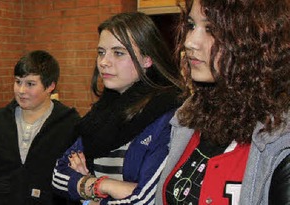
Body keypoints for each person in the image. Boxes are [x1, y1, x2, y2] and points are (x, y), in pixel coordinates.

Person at [155, 0, 290, 204]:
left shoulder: (280, 139)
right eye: (191, 25)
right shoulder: (189, 117)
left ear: (255, 38)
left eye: (211, 29)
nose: (190, 42)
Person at [51, 12, 182, 204]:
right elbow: (57, 175)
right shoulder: (101, 114)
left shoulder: (168, 115)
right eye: (101, 52)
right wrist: (101, 186)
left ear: (147, 59)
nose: (104, 62)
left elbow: (146, 199)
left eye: (118, 53)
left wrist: (88, 192)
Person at [0, 50, 81, 204]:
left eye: (30, 84)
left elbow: (73, 178)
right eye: (18, 81)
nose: (21, 90)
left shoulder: (69, 123)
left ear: (50, 86)